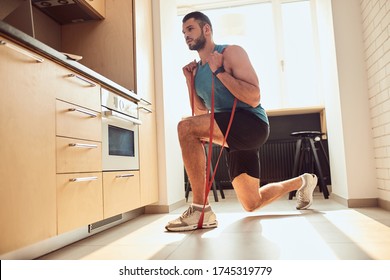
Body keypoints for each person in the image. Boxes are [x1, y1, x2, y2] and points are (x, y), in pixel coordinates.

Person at [165, 11, 317, 232]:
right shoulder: (197, 71)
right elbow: (200, 112)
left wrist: (219, 72)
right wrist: (189, 81)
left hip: (250, 124)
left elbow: (254, 96)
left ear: (206, 29)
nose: (186, 35)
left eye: (190, 29)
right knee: (251, 203)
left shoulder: (231, 52)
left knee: (184, 127)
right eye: (183, 32)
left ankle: (201, 210)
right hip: (229, 130)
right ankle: (303, 181)